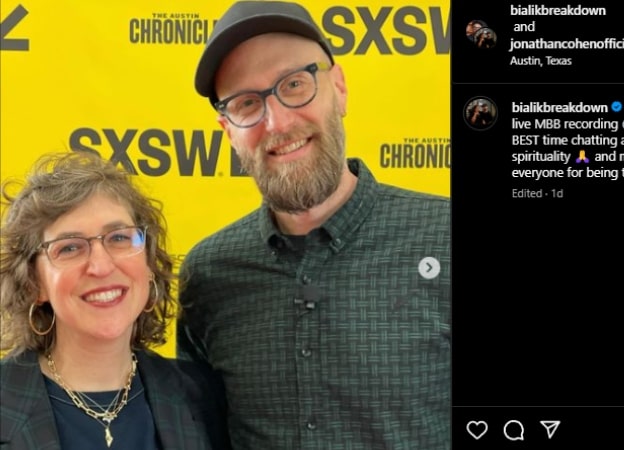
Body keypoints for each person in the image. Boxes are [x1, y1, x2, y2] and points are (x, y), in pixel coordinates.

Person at [177, 1, 451, 449]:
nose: (278, 122)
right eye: (247, 103)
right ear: (227, 129)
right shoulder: (209, 274)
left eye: (295, 84)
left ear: (339, 88)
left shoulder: (443, 237)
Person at [0, 151, 229, 450]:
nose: (101, 266)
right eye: (69, 248)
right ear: (34, 283)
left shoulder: (201, 395)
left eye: (119, 238)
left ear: (148, 263)